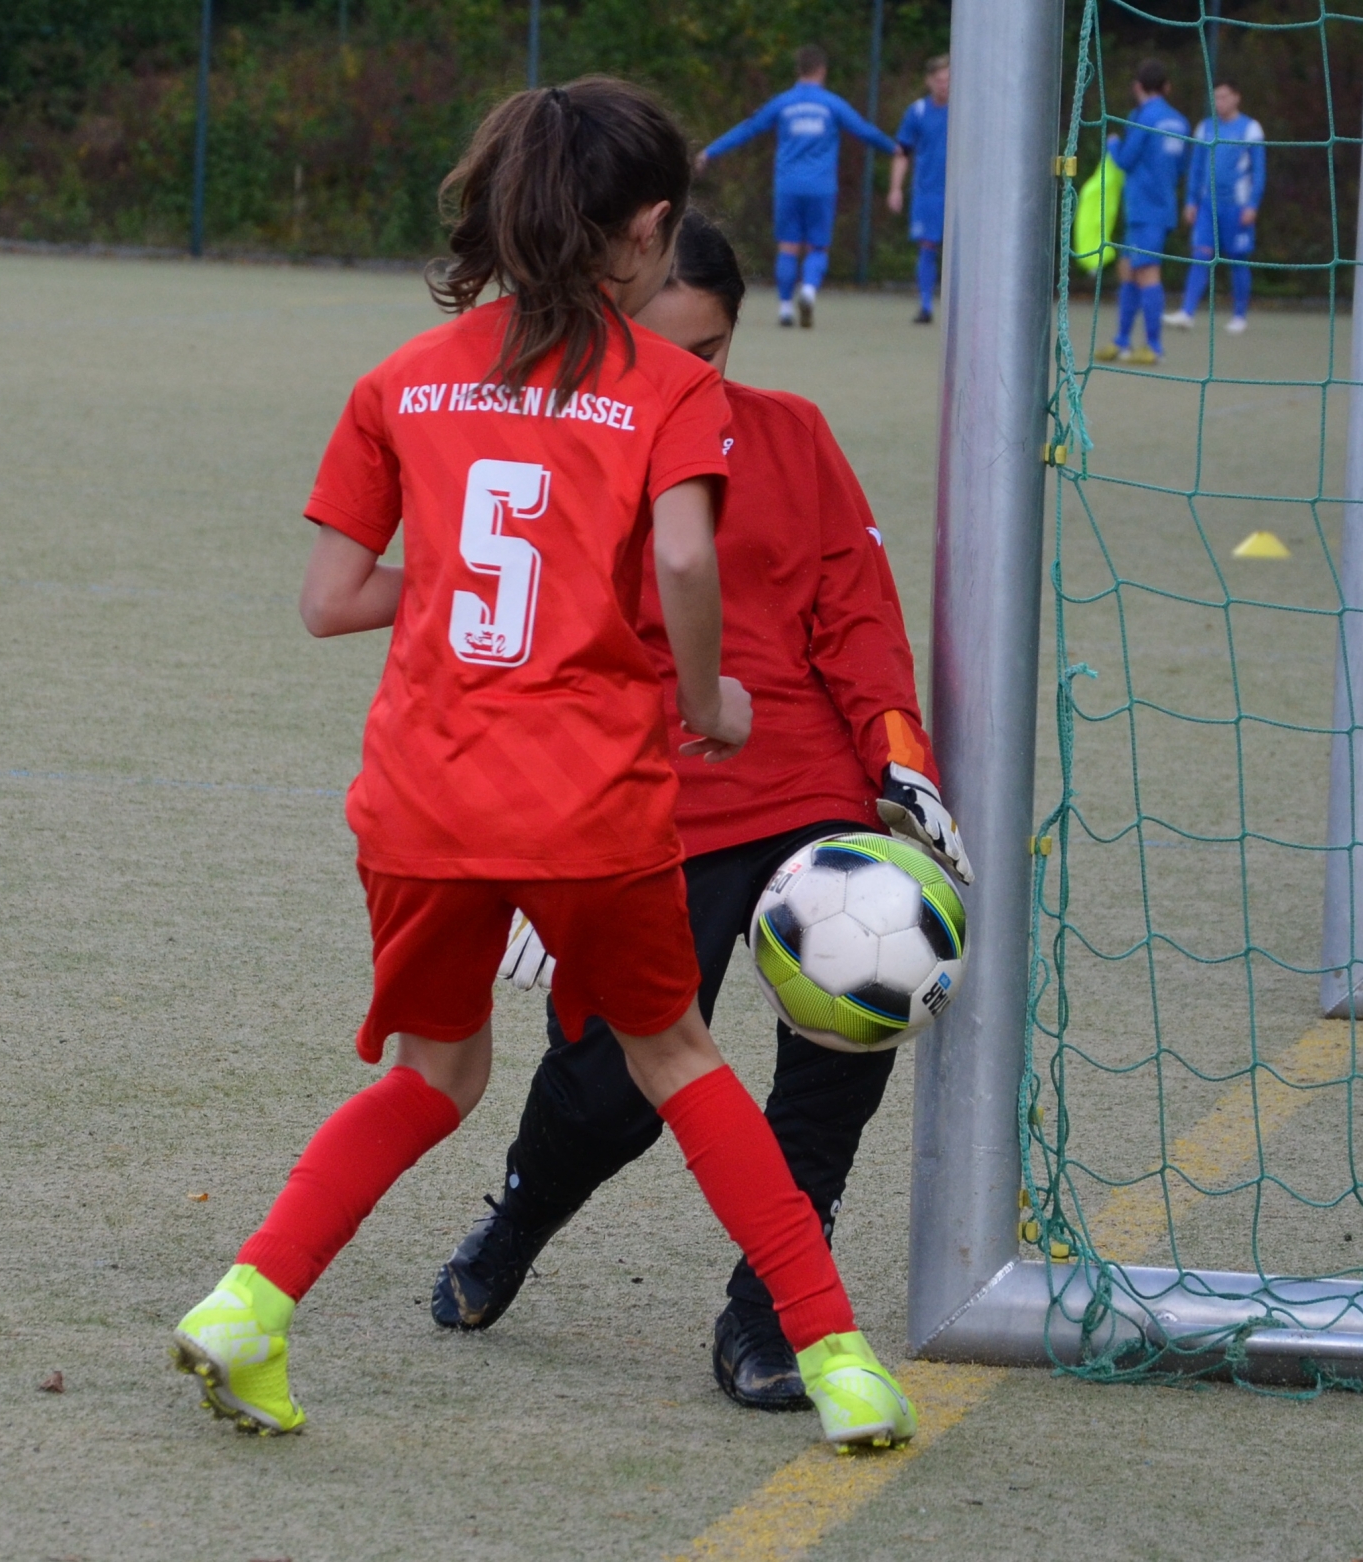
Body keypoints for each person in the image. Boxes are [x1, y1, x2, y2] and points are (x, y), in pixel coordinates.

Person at [168, 78, 916, 1454]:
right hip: (588, 801)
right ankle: (837, 1355)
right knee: (682, 1059)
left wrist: (451, 583)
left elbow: (331, 596)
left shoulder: (401, 376)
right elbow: (685, 558)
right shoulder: (674, 385)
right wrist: (711, 703)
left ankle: (247, 1300)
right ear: (643, 231)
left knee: (432, 1077)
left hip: (421, 795)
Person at [431, 209, 973, 1411]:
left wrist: (896, 753)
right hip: (635, 803)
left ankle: (768, 1311)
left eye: (710, 350)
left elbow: (856, 611)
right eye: (653, 348)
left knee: (849, 1023)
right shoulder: (559, 447)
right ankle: (520, 1215)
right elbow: (524, 654)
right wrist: (532, 835)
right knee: (608, 1093)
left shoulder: (794, 436)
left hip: (806, 789)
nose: (684, 378)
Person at [698, 45, 900, 330]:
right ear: (822, 70)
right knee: (818, 246)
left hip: (788, 186)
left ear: (798, 70)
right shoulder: (831, 104)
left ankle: (784, 309)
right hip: (821, 188)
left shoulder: (783, 103)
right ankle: (808, 291)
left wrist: (710, 151)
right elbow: (863, 130)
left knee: (788, 245)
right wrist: (893, 148)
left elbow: (748, 129)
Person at [1096, 58, 1191, 366]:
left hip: (1143, 208)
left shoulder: (1140, 117)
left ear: (1137, 86)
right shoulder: (1180, 121)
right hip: (1161, 206)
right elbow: (1180, 167)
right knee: (1128, 268)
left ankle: (1154, 346)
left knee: (1147, 272)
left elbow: (1124, 160)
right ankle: (1122, 341)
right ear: (1167, 87)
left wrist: (1112, 144)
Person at [1164, 78, 1265, 335]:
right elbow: (1196, 167)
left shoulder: (1251, 129)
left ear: (1236, 97)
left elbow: (1259, 171)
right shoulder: (1205, 127)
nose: (1219, 102)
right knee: (1200, 255)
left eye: (1224, 96)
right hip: (1208, 206)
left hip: (1237, 206)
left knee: (1238, 259)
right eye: (1216, 97)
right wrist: (1190, 201)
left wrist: (1252, 204)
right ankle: (1187, 312)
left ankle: (1239, 315)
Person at [889, 55, 950, 325]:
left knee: (962, 253)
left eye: (948, 80)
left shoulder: (966, 111)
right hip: (927, 193)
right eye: (938, 80)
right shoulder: (917, 112)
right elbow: (902, 152)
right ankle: (926, 305)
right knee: (927, 247)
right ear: (929, 82)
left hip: (960, 196)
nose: (943, 85)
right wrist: (895, 189)